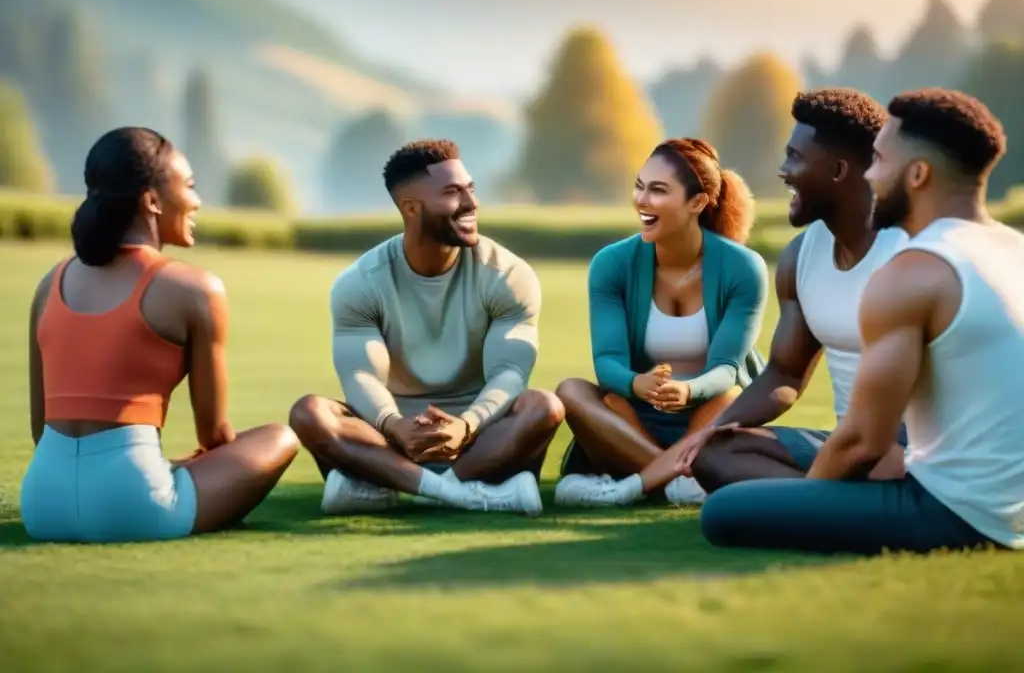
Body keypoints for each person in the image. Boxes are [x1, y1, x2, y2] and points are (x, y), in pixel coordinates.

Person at [701, 87, 1024, 555]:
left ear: (917, 174)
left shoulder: (915, 269)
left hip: (953, 511)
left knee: (724, 512)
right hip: (1007, 505)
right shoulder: (1012, 248)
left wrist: (810, 504)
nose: (870, 175)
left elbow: (861, 442)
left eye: (880, 161)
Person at [19, 128, 299, 543]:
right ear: (152, 200)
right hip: (134, 502)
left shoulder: (49, 283)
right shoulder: (196, 289)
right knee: (281, 437)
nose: (197, 200)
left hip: (41, 502)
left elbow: (41, 429)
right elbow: (215, 437)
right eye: (188, 186)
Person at [288, 139, 563, 517]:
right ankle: (457, 493)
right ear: (411, 209)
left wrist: (466, 426)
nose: (470, 203)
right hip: (393, 439)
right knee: (309, 413)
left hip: (481, 438)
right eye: (452, 192)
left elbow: (510, 372)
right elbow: (360, 376)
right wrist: (396, 425)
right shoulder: (361, 282)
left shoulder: (509, 275)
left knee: (544, 407)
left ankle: (384, 486)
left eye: (471, 188)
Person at [673, 88, 910, 491]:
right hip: (846, 447)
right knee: (717, 453)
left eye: (795, 157)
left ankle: (824, 500)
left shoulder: (909, 255)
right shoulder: (801, 256)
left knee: (729, 511)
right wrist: (707, 432)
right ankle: (836, 501)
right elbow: (785, 374)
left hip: (914, 448)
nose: (783, 170)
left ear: (838, 170)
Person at [552, 138, 769, 508]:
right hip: (634, 421)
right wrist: (638, 383)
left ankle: (631, 488)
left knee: (730, 398)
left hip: (707, 418)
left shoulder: (743, 268)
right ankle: (680, 482)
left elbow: (727, 369)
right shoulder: (612, 263)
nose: (642, 200)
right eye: (639, 186)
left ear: (698, 202)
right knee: (571, 390)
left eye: (658, 190)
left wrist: (688, 391)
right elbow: (607, 362)